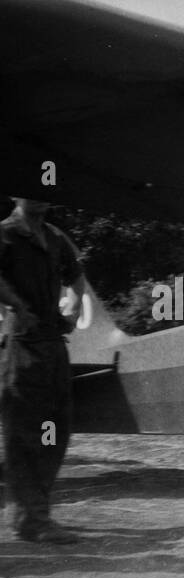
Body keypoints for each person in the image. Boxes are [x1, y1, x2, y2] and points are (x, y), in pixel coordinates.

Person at [0, 198, 85, 543]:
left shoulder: (54, 237)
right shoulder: (5, 234)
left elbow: (76, 277)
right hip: (23, 346)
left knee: (55, 430)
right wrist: (16, 304)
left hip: (52, 345)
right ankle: (31, 518)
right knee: (24, 432)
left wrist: (75, 306)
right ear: (15, 197)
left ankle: (34, 513)